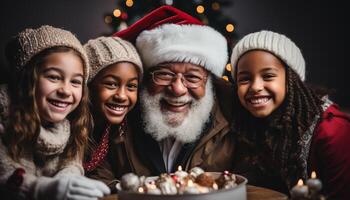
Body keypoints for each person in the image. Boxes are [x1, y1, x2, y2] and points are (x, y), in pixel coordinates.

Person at [113, 5, 235, 176]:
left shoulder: (235, 118)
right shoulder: (117, 118)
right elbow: (100, 176)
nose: (177, 89)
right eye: (164, 74)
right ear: (146, 78)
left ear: (208, 82)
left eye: (192, 77)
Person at [230, 30, 350, 199]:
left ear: (292, 80)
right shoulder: (249, 126)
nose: (255, 86)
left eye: (268, 76)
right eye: (245, 79)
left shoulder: (333, 132)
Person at [0, 25, 110, 200]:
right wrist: (42, 189)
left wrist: (67, 181)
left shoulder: (72, 123)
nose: (66, 90)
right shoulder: (4, 117)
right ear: (27, 80)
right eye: (54, 77)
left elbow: (71, 165)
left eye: (75, 82)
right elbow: (5, 174)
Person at [82, 36, 143, 191]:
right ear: (88, 84)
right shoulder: (69, 125)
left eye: (131, 86)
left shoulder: (116, 128)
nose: (122, 96)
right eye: (111, 84)